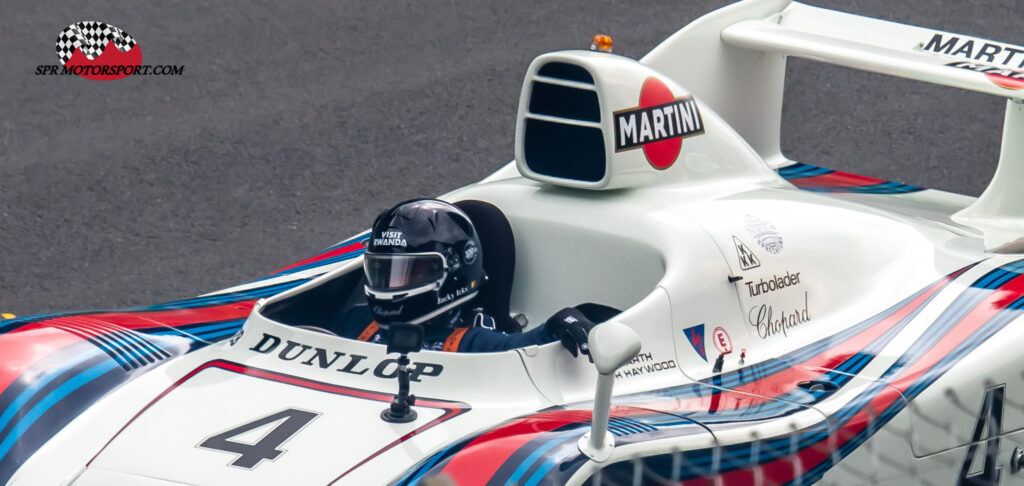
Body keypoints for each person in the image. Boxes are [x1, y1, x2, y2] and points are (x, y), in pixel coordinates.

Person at [332, 198, 595, 355]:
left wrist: (563, 321)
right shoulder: (356, 321)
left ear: (452, 273)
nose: (391, 285)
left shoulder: (471, 343)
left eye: (409, 272)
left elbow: (527, 347)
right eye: (383, 271)